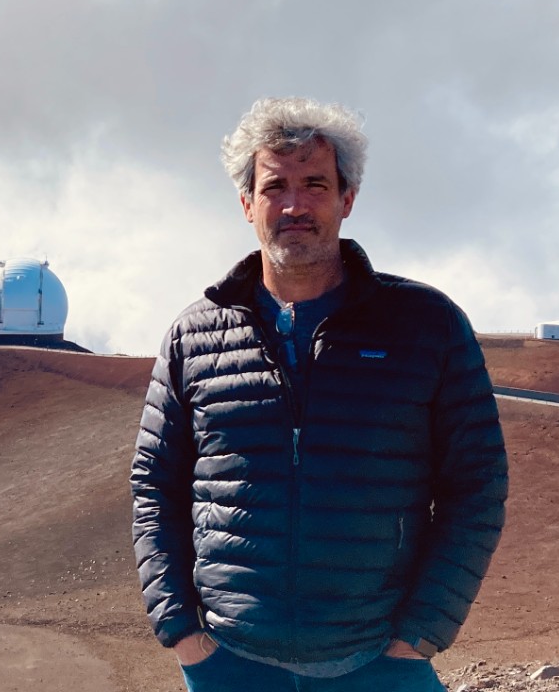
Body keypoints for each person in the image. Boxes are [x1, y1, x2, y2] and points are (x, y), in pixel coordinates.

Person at [130, 98, 508, 692]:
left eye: (315, 184)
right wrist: (183, 633)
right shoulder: (194, 335)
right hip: (231, 662)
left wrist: (421, 636)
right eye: (274, 186)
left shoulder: (424, 325)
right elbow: (155, 485)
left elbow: (477, 485)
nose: (294, 205)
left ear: (346, 198)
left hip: (380, 662)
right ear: (246, 203)